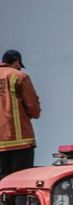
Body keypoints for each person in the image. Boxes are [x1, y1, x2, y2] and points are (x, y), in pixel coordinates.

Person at [0, 50, 41, 179]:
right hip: (20, 141)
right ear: (17, 62)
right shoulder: (19, 76)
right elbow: (33, 107)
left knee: (2, 183)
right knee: (21, 182)